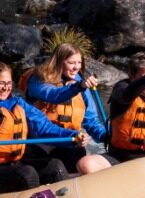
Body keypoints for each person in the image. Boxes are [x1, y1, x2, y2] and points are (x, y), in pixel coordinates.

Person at [0, 61, 89, 194]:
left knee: (54, 167)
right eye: (0, 83)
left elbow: (45, 128)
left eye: (9, 83)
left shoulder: (17, 103)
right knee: (27, 175)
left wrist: (73, 136)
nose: (6, 88)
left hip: (9, 164)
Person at [17, 43, 108, 175]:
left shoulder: (80, 83)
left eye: (79, 62)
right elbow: (54, 95)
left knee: (81, 163)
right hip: (42, 141)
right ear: (59, 62)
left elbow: (90, 120)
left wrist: (106, 136)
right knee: (55, 169)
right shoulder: (38, 79)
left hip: (70, 140)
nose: (76, 67)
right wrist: (77, 87)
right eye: (71, 63)